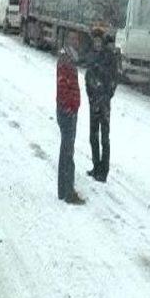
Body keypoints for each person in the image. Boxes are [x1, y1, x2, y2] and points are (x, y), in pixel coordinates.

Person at [85, 27, 118, 182]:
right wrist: (90, 95)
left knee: (104, 137)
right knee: (93, 136)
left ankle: (103, 171)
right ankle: (96, 165)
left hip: (104, 102)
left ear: (102, 42)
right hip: (93, 101)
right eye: (95, 41)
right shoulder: (91, 55)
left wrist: (107, 95)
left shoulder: (108, 57)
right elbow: (88, 77)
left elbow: (113, 79)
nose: (97, 43)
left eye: (99, 41)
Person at [56, 31, 84, 205]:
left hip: (68, 109)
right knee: (68, 153)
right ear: (68, 40)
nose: (76, 41)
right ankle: (68, 192)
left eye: (77, 39)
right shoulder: (66, 60)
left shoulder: (68, 58)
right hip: (67, 111)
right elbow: (64, 87)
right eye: (73, 39)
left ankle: (63, 190)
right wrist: (69, 107)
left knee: (66, 151)